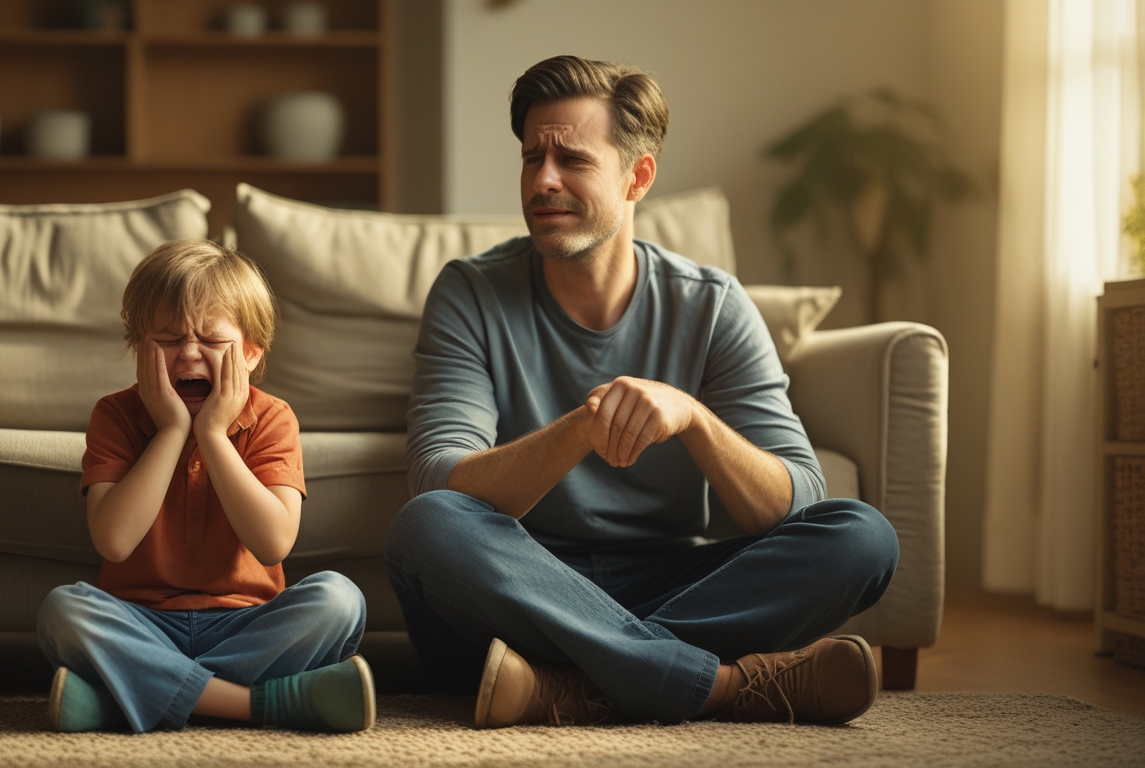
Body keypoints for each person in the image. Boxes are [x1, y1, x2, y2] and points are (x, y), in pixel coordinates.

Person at [385, 55, 900, 728]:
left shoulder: (712, 305)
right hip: (520, 582)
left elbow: (796, 498)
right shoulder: (471, 293)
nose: (542, 181)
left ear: (638, 176)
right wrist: (579, 430)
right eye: (531, 157)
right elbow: (437, 479)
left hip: (658, 583)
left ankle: (564, 689)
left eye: (571, 160)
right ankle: (716, 685)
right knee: (428, 526)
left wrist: (694, 419)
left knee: (863, 537)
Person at [38, 240, 375, 734]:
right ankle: (262, 705)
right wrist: (173, 430)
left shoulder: (272, 418)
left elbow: (272, 542)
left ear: (253, 351)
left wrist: (213, 435)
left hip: (246, 624)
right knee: (63, 610)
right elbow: (114, 540)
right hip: (141, 621)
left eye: (212, 341)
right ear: (138, 347)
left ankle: (124, 698)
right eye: (169, 339)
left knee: (340, 600)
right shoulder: (114, 415)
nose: (189, 353)